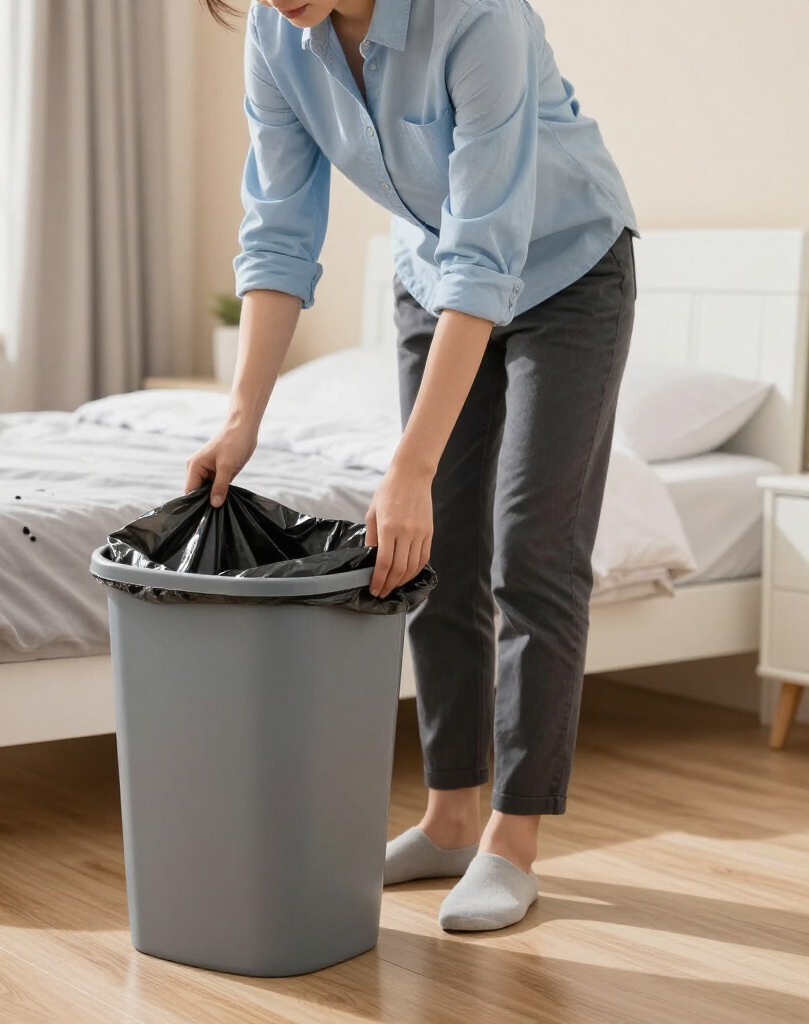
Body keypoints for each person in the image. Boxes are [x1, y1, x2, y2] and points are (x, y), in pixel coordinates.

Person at [186, 0, 637, 931]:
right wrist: (242, 418)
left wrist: (411, 463)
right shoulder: (282, 39)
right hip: (434, 278)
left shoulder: (479, 18)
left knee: (530, 550)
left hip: (567, 273)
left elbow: (491, 246)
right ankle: (450, 818)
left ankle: (511, 841)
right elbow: (278, 229)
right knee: (434, 557)